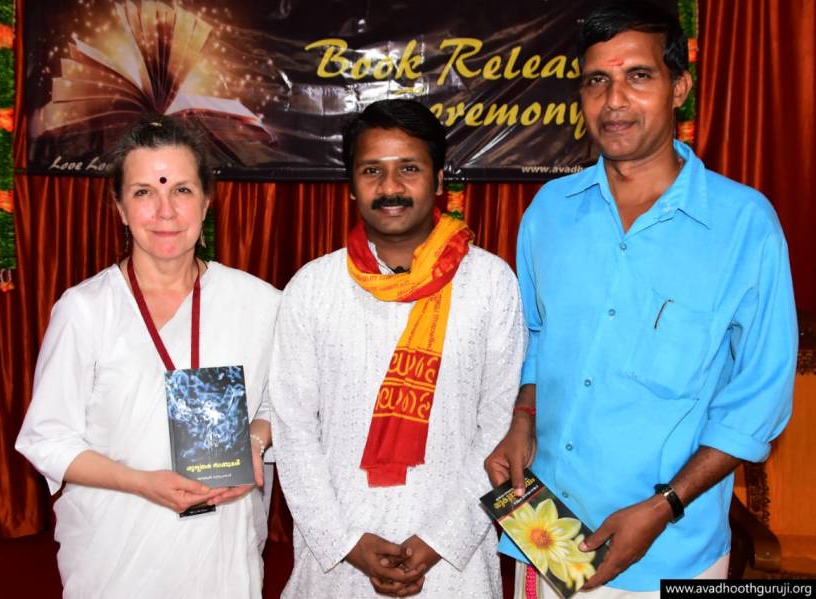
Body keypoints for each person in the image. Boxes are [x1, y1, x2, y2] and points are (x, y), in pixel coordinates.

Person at [485, 1, 797, 596]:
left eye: (638, 76)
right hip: (551, 537)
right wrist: (523, 418)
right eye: (596, 81)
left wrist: (664, 506)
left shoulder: (744, 225)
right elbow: (539, 339)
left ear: (679, 87)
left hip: (674, 553)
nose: (614, 101)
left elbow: (759, 397)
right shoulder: (549, 213)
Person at [269, 99, 527, 598]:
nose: (390, 187)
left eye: (409, 168)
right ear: (351, 185)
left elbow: (498, 424)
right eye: (372, 171)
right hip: (337, 563)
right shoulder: (313, 287)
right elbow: (293, 426)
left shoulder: (490, 283)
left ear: (439, 179)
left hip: (453, 566)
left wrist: (441, 539)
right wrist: (343, 541)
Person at [15, 116, 279, 598]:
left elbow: (280, 402)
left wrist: (255, 443)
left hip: (220, 545)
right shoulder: (85, 310)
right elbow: (47, 438)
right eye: (143, 192)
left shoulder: (259, 303)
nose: (165, 210)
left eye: (181, 190)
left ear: (207, 201)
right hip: (117, 546)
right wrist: (141, 482)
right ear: (119, 207)